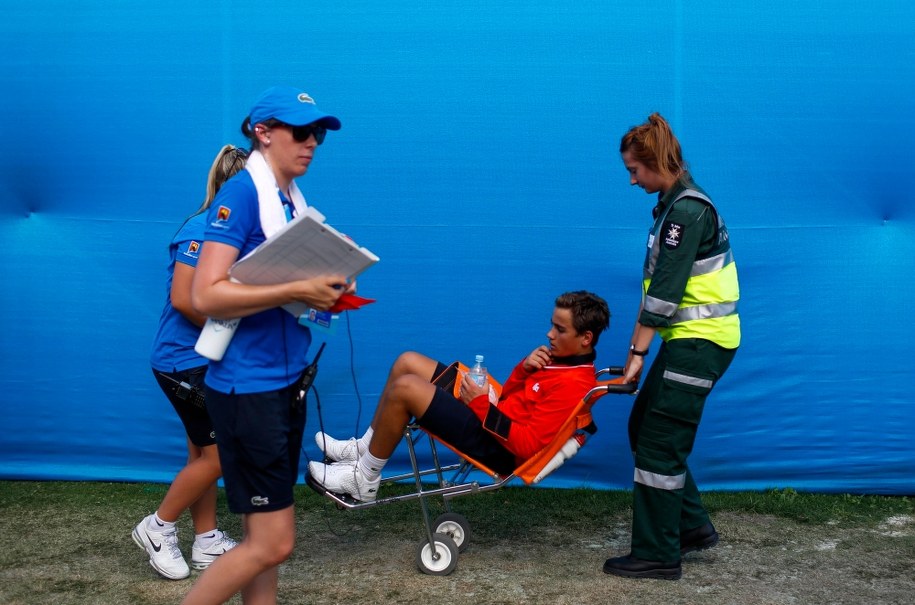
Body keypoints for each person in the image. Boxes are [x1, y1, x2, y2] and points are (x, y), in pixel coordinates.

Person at [180, 86, 349, 605]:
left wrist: (325, 287)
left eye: (318, 133)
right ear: (263, 132)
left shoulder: (286, 199)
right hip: (249, 390)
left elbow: (273, 282)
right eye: (301, 131)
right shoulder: (243, 195)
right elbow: (204, 293)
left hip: (277, 385)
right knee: (274, 544)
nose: (313, 142)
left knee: (261, 544)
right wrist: (299, 288)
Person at [602, 113, 740, 581]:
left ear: (658, 161)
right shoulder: (673, 204)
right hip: (687, 341)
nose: (630, 179)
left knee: (660, 444)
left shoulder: (685, 212)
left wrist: (635, 359)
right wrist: (636, 353)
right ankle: (691, 527)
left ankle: (659, 554)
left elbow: (663, 295)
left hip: (700, 344)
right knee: (645, 427)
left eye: (634, 170)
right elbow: (658, 294)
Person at [308, 291, 611, 503]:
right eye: (551, 325)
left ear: (585, 338)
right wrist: (523, 369)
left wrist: (479, 403)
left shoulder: (573, 385)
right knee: (407, 361)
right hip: (490, 414)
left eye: (560, 329)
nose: (549, 334)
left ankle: (364, 479)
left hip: (496, 447)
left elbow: (528, 444)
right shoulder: (556, 361)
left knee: (406, 389)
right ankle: (365, 449)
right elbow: (513, 398)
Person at [135, 145, 249, 580]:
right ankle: (158, 528)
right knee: (221, 455)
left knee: (203, 452)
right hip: (181, 363)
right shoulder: (199, 230)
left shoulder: (235, 239)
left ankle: (206, 540)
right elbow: (184, 299)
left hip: (204, 361)